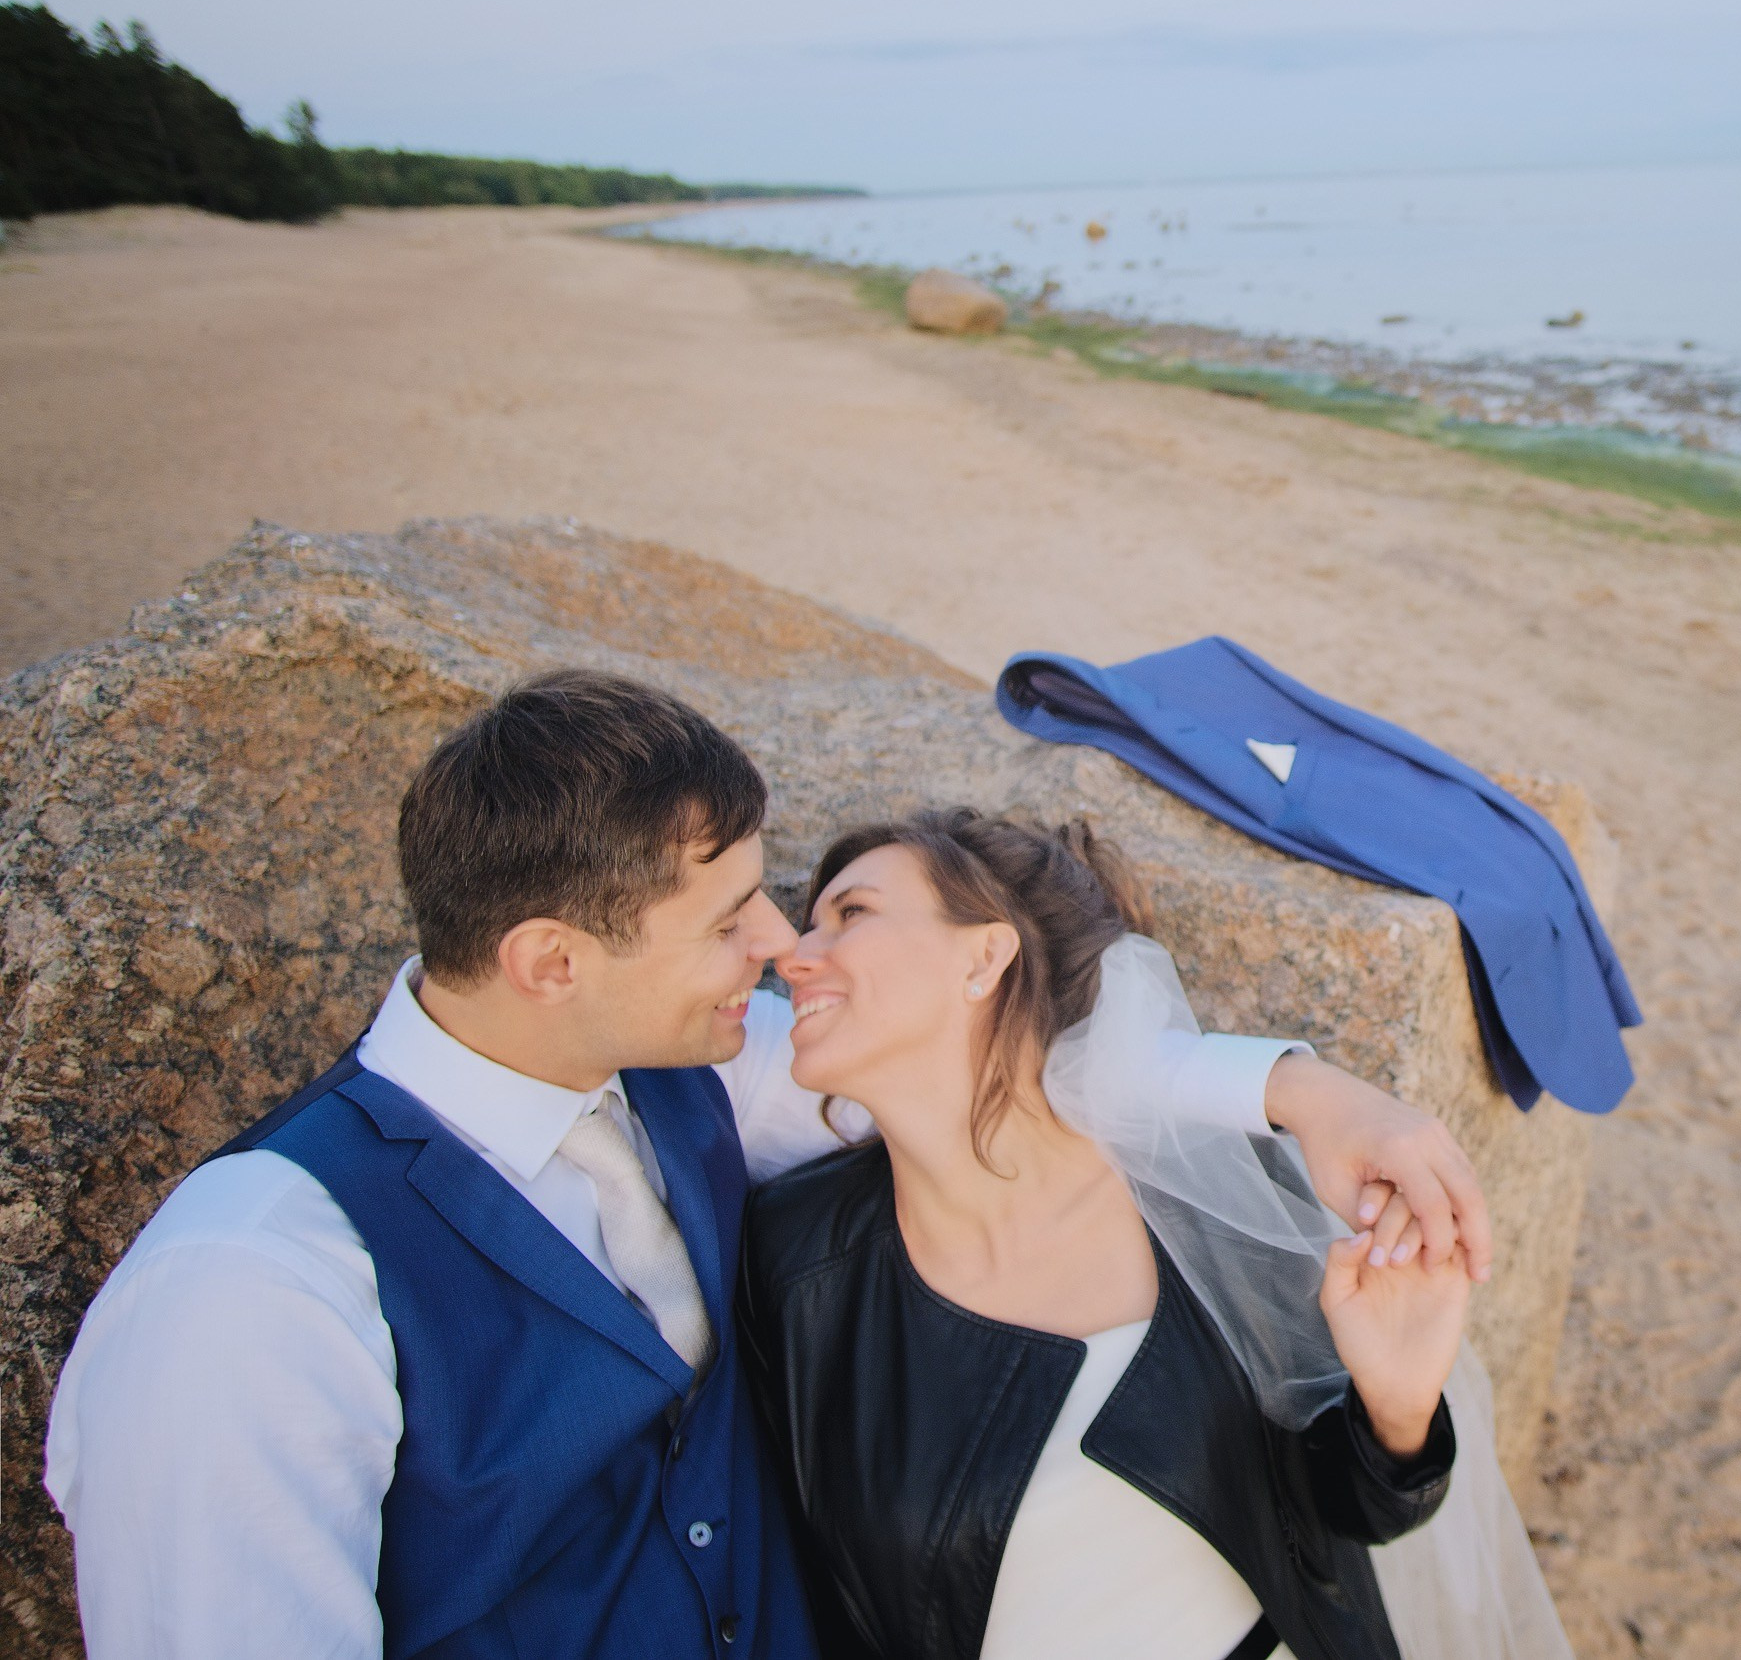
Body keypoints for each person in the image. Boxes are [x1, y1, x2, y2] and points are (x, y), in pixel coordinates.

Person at [43, 670, 1494, 1660]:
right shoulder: (253, 1283)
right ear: (551, 960)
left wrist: (1306, 1090)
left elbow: (1016, 1063)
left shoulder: (694, 1070)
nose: (779, 944)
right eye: (732, 915)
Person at [740, 808, 1528, 1660]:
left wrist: (1399, 1408)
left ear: (984, 957)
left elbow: (1348, 1515)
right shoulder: (796, 1263)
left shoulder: (1187, 1195)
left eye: (851, 913)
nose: (794, 953)